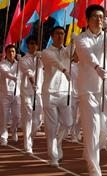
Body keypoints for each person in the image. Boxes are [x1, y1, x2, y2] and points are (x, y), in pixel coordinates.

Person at [74, 5, 107, 176]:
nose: (99, 20)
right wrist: (97, 67)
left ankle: (90, 149)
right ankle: (94, 168)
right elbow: (86, 53)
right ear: (87, 19)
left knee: (105, 129)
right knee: (92, 128)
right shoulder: (80, 38)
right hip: (89, 89)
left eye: (101, 17)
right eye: (95, 16)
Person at [41, 26, 73, 166]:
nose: (60, 36)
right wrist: (64, 70)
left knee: (68, 123)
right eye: (57, 34)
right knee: (51, 127)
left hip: (65, 92)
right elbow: (55, 62)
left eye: (62, 34)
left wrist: (74, 41)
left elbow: (72, 53)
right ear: (52, 36)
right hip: (50, 93)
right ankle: (53, 156)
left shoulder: (66, 51)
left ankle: (58, 143)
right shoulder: (46, 52)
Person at [19, 36, 44, 155]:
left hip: (38, 92)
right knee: (28, 116)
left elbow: (47, 66)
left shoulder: (40, 58)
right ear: (28, 45)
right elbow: (28, 72)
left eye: (36, 44)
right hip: (27, 91)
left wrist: (41, 58)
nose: (34, 46)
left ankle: (30, 138)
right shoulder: (24, 59)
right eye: (32, 43)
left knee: (38, 121)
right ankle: (27, 145)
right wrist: (33, 83)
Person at [0, 44, 21, 146]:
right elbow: (6, 73)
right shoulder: (1, 64)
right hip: (5, 94)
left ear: (15, 53)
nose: (11, 53)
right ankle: (4, 136)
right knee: (4, 116)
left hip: (16, 94)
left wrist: (21, 61)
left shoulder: (19, 63)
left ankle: (14, 129)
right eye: (9, 52)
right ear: (6, 53)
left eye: (13, 51)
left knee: (16, 116)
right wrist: (15, 78)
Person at [70, 51, 81, 142]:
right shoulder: (70, 67)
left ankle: (77, 131)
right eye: (76, 54)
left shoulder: (83, 66)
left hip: (82, 94)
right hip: (73, 94)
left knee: (83, 116)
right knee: (73, 116)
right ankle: (73, 135)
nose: (78, 56)